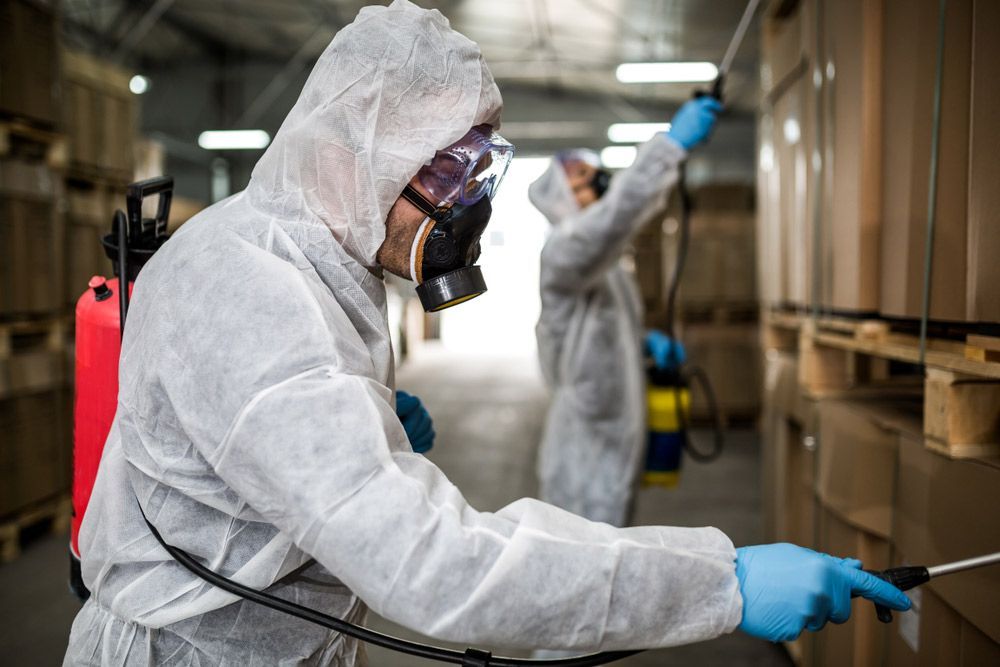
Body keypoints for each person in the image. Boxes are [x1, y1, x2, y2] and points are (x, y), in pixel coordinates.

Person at [63, 2, 909, 665]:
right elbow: (429, 558)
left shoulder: (324, 261)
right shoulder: (247, 284)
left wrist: (364, 417)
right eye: (444, 170)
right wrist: (720, 579)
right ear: (352, 152)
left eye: (479, 166)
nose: (469, 202)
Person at [529, 97, 718, 528]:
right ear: (560, 197)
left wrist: (642, 346)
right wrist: (667, 148)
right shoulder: (564, 251)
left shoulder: (606, 263)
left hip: (614, 432)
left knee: (611, 541)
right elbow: (613, 221)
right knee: (583, 553)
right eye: (581, 178)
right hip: (586, 441)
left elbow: (598, 334)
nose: (597, 181)